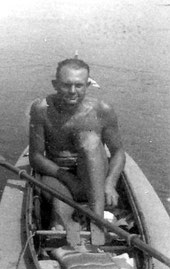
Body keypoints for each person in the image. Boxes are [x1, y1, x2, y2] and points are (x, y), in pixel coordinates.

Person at [29, 58, 125, 249]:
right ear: (55, 84)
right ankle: (64, 223)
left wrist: (110, 183)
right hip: (57, 175)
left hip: (93, 175)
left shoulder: (102, 110)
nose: (72, 91)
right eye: (66, 85)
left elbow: (118, 152)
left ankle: (97, 220)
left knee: (89, 141)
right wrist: (67, 177)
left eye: (79, 85)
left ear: (87, 84)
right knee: (59, 220)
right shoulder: (41, 109)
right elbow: (36, 157)